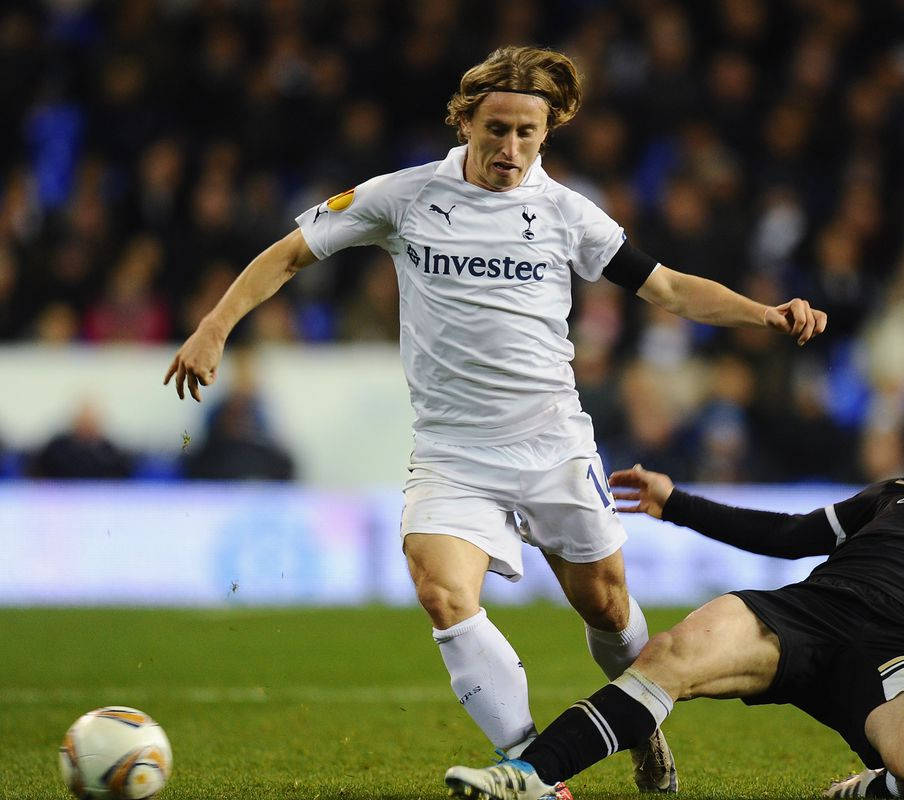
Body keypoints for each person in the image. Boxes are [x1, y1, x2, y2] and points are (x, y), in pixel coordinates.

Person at [163, 45, 827, 799]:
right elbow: (289, 255)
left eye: (527, 134)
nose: (510, 149)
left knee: (606, 604)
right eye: (497, 130)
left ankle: (643, 726)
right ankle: (533, 769)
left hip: (552, 444)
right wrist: (215, 326)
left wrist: (762, 314)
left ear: (547, 135)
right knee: (442, 593)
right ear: (465, 123)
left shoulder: (566, 213)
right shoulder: (404, 196)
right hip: (452, 451)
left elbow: (668, 288)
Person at [444, 404, 904, 800]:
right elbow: (788, 536)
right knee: (671, 654)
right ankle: (530, 776)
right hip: (803, 617)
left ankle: (868, 791)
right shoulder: (899, 495)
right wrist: (676, 501)